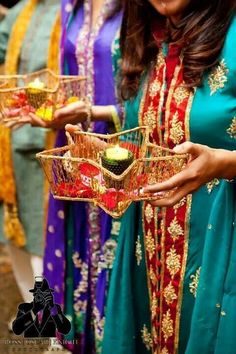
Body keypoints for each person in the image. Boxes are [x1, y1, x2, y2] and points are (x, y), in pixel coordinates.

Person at [66, 0, 236, 352]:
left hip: (220, 242)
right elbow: (147, 131)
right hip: (149, 245)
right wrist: (106, 156)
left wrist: (225, 163)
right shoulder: (155, 33)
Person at [27, 1, 124, 353]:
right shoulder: (71, 6)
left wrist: (95, 112)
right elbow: (65, 79)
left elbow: (150, 95)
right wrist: (44, 110)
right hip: (71, 150)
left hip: (118, 156)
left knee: (114, 256)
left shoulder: (143, 8)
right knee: (74, 243)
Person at [0, 0, 60, 304]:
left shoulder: (72, 10)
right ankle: (32, 310)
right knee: (13, 229)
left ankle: (50, 320)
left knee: (42, 233)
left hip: (51, 138)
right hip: (10, 138)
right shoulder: (21, 11)